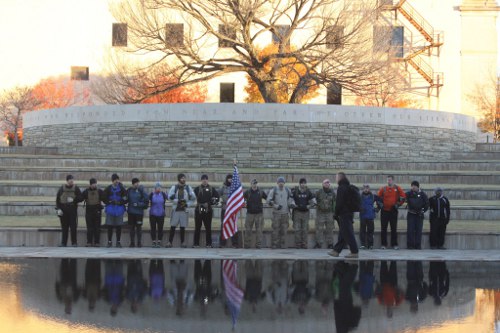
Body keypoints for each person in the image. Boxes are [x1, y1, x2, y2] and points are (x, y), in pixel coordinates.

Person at [328, 172, 359, 258]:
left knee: (348, 233)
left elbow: (339, 202)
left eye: (336, 177)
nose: (336, 179)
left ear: (340, 178)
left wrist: (336, 213)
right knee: (343, 233)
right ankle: (336, 251)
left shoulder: (341, 188)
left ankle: (354, 251)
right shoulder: (348, 187)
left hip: (344, 214)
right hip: (349, 213)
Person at [377, 175, 406, 250]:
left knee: (394, 228)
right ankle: (383, 245)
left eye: (389, 180)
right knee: (383, 229)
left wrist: (398, 204)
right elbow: (378, 198)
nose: (388, 181)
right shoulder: (383, 188)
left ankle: (394, 244)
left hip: (393, 211)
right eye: (387, 180)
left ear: (393, 180)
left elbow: (403, 197)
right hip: (384, 211)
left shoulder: (397, 188)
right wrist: (380, 204)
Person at [267, 177, 296, 249]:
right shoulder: (273, 190)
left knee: (284, 230)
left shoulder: (287, 190)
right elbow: (269, 200)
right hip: (276, 214)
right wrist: (276, 206)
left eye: (282, 182)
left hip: (285, 214)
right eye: (279, 182)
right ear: (277, 183)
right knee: (275, 230)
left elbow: (290, 199)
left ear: (284, 183)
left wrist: (292, 204)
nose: (281, 183)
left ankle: (283, 245)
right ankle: (274, 245)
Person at [167, 173, 195, 248]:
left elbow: (193, 198)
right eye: (182, 178)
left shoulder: (188, 188)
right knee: (173, 226)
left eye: (184, 178)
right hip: (176, 209)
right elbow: (169, 197)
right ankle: (170, 242)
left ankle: (183, 242)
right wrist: (177, 201)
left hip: (184, 210)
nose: (184, 179)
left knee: (182, 227)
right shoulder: (174, 187)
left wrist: (187, 204)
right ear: (179, 179)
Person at [55, 174, 82, 247]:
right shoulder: (61, 189)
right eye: (70, 181)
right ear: (67, 181)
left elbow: (81, 198)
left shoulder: (76, 188)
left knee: (73, 227)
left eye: (72, 181)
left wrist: (74, 200)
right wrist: (58, 209)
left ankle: (74, 243)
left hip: (72, 209)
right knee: (64, 227)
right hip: (63, 210)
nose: (72, 182)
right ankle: (63, 243)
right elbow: (58, 200)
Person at [194, 174, 220, 248]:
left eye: (206, 179)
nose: (205, 180)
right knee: (197, 227)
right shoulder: (197, 189)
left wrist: (209, 203)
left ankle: (209, 244)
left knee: (208, 227)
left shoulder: (212, 189)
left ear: (207, 180)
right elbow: (192, 197)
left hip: (208, 210)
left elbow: (217, 198)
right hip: (199, 210)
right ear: (201, 180)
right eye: (203, 179)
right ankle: (196, 243)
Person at [103, 174, 127, 248]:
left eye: (117, 179)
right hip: (110, 210)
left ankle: (118, 242)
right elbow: (104, 198)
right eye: (115, 180)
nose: (117, 181)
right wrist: (110, 202)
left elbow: (126, 198)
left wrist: (120, 202)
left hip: (119, 210)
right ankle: (109, 242)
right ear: (112, 181)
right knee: (109, 226)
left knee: (119, 227)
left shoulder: (122, 188)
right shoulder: (108, 188)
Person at [291, 178, 316, 249]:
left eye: (304, 183)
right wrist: (293, 205)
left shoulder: (308, 191)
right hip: (297, 212)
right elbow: (290, 200)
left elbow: (314, 201)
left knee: (305, 229)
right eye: (302, 183)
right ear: (299, 184)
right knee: (297, 229)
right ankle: (297, 244)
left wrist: (309, 206)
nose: (303, 184)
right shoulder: (295, 191)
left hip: (305, 213)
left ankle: (304, 244)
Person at [243, 179, 267, 248]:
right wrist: (244, 202)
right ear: (251, 184)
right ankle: (247, 245)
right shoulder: (247, 192)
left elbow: (267, 198)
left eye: (255, 183)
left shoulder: (261, 191)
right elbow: (242, 199)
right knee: (248, 230)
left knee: (259, 230)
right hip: (249, 213)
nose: (254, 185)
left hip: (259, 214)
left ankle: (258, 245)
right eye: (253, 183)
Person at [405, 181, 429, 250]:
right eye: (412, 186)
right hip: (411, 214)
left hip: (419, 215)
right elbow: (402, 198)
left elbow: (427, 204)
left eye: (414, 186)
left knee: (419, 230)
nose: (413, 187)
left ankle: (418, 245)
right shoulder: (408, 193)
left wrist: (423, 211)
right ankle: (410, 245)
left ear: (418, 187)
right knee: (410, 230)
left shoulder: (423, 194)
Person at [126, 178, 149, 248]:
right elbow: (125, 199)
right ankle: (132, 243)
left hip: (139, 213)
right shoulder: (129, 190)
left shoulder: (141, 190)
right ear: (133, 184)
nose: (137, 184)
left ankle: (139, 242)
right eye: (136, 183)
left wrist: (138, 204)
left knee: (139, 228)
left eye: (138, 183)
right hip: (131, 212)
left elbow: (146, 200)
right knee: (131, 228)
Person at [81, 178, 104, 247]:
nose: (94, 185)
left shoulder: (100, 191)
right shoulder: (85, 191)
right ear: (90, 184)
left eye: (95, 184)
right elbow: (80, 198)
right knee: (89, 227)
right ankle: (89, 242)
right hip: (89, 211)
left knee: (97, 227)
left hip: (97, 211)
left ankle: (97, 242)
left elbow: (105, 198)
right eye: (93, 184)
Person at [314, 179, 336, 249]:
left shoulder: (333, 192)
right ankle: (318, 243)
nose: (326, 184)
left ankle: (330, 244)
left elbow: (335, 202)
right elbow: (313, 200)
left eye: (328, 183)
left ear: (329, 184)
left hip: (329, 213)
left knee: (330, 229)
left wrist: (334, 212)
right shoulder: (318, 192)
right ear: (322, 184)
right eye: (325, 183)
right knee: (319, 229)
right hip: (320, 213)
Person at [359, 184, 381, 250]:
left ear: (369, 189)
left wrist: (377, 209)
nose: (366, 189)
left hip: (370, 216)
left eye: (367, 188)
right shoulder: (359, 197)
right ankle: (363, 244)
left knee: (370, 231)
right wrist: (359, 208)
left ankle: (370, 245)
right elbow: (355, 203)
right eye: (365, 188)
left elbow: (381, 202)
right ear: (363, 189)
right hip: (362, 216)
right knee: (362, 231)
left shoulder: (373, 196)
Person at [219, 174, 239, 248]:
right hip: (225, 209)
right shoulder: (222, 187)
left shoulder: (235, 188)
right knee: (223, 226)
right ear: (226, 179)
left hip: (233, 209)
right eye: (229, 178)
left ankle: (235, 243)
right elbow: (218, 195)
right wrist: (220, 200)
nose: (230, 179)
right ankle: (222, 243)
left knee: (234, 226)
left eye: (231, 178)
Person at [149, 182, 168, 248]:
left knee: (160, 228)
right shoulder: (151, 194)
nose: (158, 189)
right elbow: (146, 200)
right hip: (153, 214)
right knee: (153, 228)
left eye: (160, 188)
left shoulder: (163, 194)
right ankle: (154, 242)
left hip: (161, 214)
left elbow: (169, 198)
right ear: (155, 188)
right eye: (157, 187)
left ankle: (159, 242)